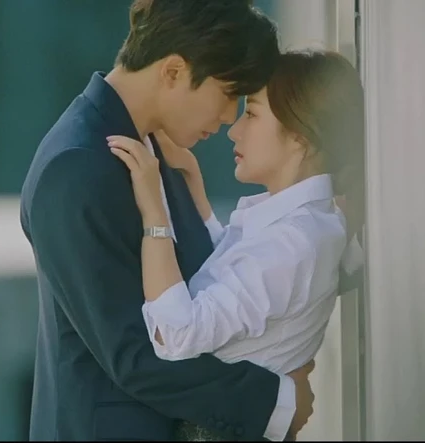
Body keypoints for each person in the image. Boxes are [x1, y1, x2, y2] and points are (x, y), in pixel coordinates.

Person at [20, 0, 317, 441]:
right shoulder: (75, 167)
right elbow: (135, 354)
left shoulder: (156, 149)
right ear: (174, 71)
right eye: (227, 93)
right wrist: (275, 400)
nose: (228, 118)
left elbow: (203, 293)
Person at [107, 49, 366, 440]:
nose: (234, 131)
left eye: (253, 114)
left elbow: (177, 335)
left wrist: (154, 214)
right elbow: (241, 284)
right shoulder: (302, 225)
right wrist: (195, 188)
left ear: (301, 138)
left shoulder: (292, 243)